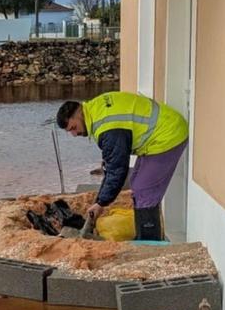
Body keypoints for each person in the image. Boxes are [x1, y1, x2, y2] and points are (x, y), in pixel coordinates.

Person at [56, 91, 188, 240]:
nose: (74, 134)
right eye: (70, 131)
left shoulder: (107, 128)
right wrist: (100, 200)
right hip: (159, 134)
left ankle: (149, 242)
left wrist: (101, 203)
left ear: (79, 113)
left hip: (167, 135)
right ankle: (144, 236)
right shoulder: (94, 109)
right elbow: (112, 165)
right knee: (136, 182)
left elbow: (117, 170)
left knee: (144, 189)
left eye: (73, 128)